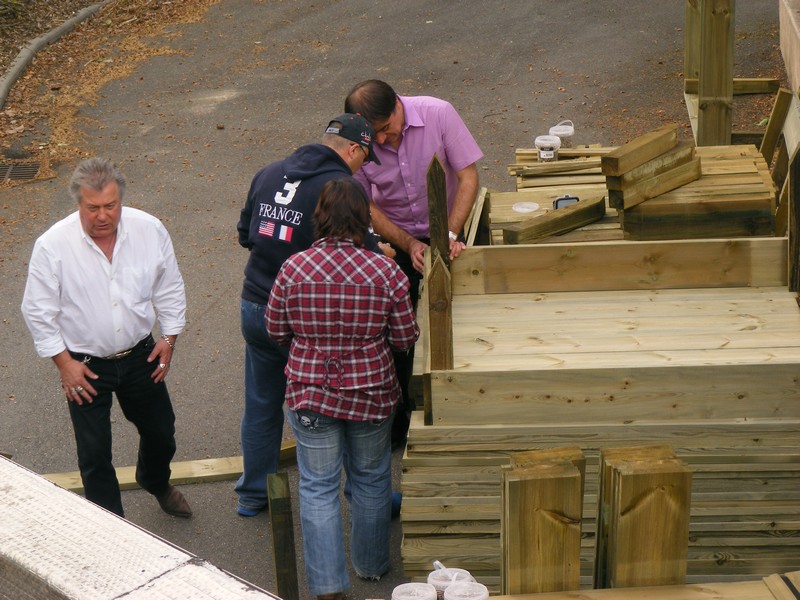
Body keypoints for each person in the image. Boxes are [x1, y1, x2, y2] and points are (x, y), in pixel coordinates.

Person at [266, 178, 419, 600]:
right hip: (372, 391)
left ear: (320, 218)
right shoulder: (386, 270)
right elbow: (406, 337)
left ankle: (328, 586)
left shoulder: (293, 268)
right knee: (371, 478)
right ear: (363, 219)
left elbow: (275, 329)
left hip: (310, 391)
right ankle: (371, 566)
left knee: (317, 485)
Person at [20, 157, 191, 519]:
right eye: (92, 207)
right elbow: (38, 311)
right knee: (95, 456)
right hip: (84, 366)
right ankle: (112, 528)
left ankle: (155, 480)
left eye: (110, 206)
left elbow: (169, 285)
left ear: (121, 201)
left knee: (162, 433)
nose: (102, 216)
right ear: (78, 203)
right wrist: (64, 364)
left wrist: (170, 338)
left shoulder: (149, 230)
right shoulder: (53, 246)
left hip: (141, 355)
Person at [235, 113, 382, 517]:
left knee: (262, 402)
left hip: (257, 303)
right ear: (354, 148)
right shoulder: (340, 187)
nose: (363, 169)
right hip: (307, 316)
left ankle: (252, 494)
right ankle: (367, 496)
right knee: (339, 407)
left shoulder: (268, 173)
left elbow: (247, 234)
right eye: (365, 159)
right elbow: (355, 253)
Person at [344, 79, 484, 446]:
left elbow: (468, 177)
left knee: (460, 316)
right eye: (374, 137)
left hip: (450, 227)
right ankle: (400, 415)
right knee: (397, 332)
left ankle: (462, 402)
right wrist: (407, 245)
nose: (384, 142)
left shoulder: (439, 112)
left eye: (387, 130)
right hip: (397, 238)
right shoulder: (361, 138)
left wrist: (450, 235)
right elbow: (365, 205)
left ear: (397, 107)